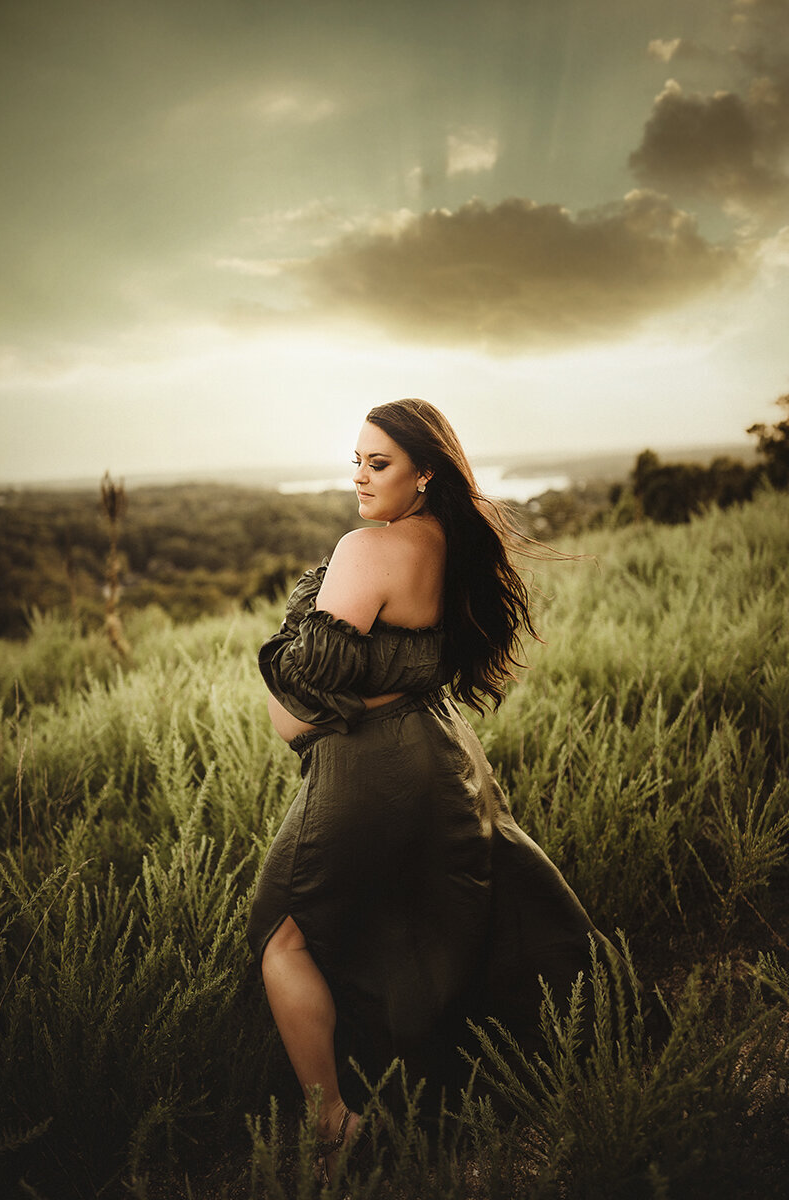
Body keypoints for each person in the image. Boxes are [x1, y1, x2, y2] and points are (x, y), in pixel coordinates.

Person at [246, 399, 622, 1181]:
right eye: (355, 459)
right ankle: (465, 1075)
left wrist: (306, 609)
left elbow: (312, 678)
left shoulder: (366, 549)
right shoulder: (451, 541)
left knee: (280, 930)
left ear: (425, 471)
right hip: (442, 753)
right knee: (431, 912)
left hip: (367, 769)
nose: (359, 475)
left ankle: (332, 1123)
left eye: (378, 462)